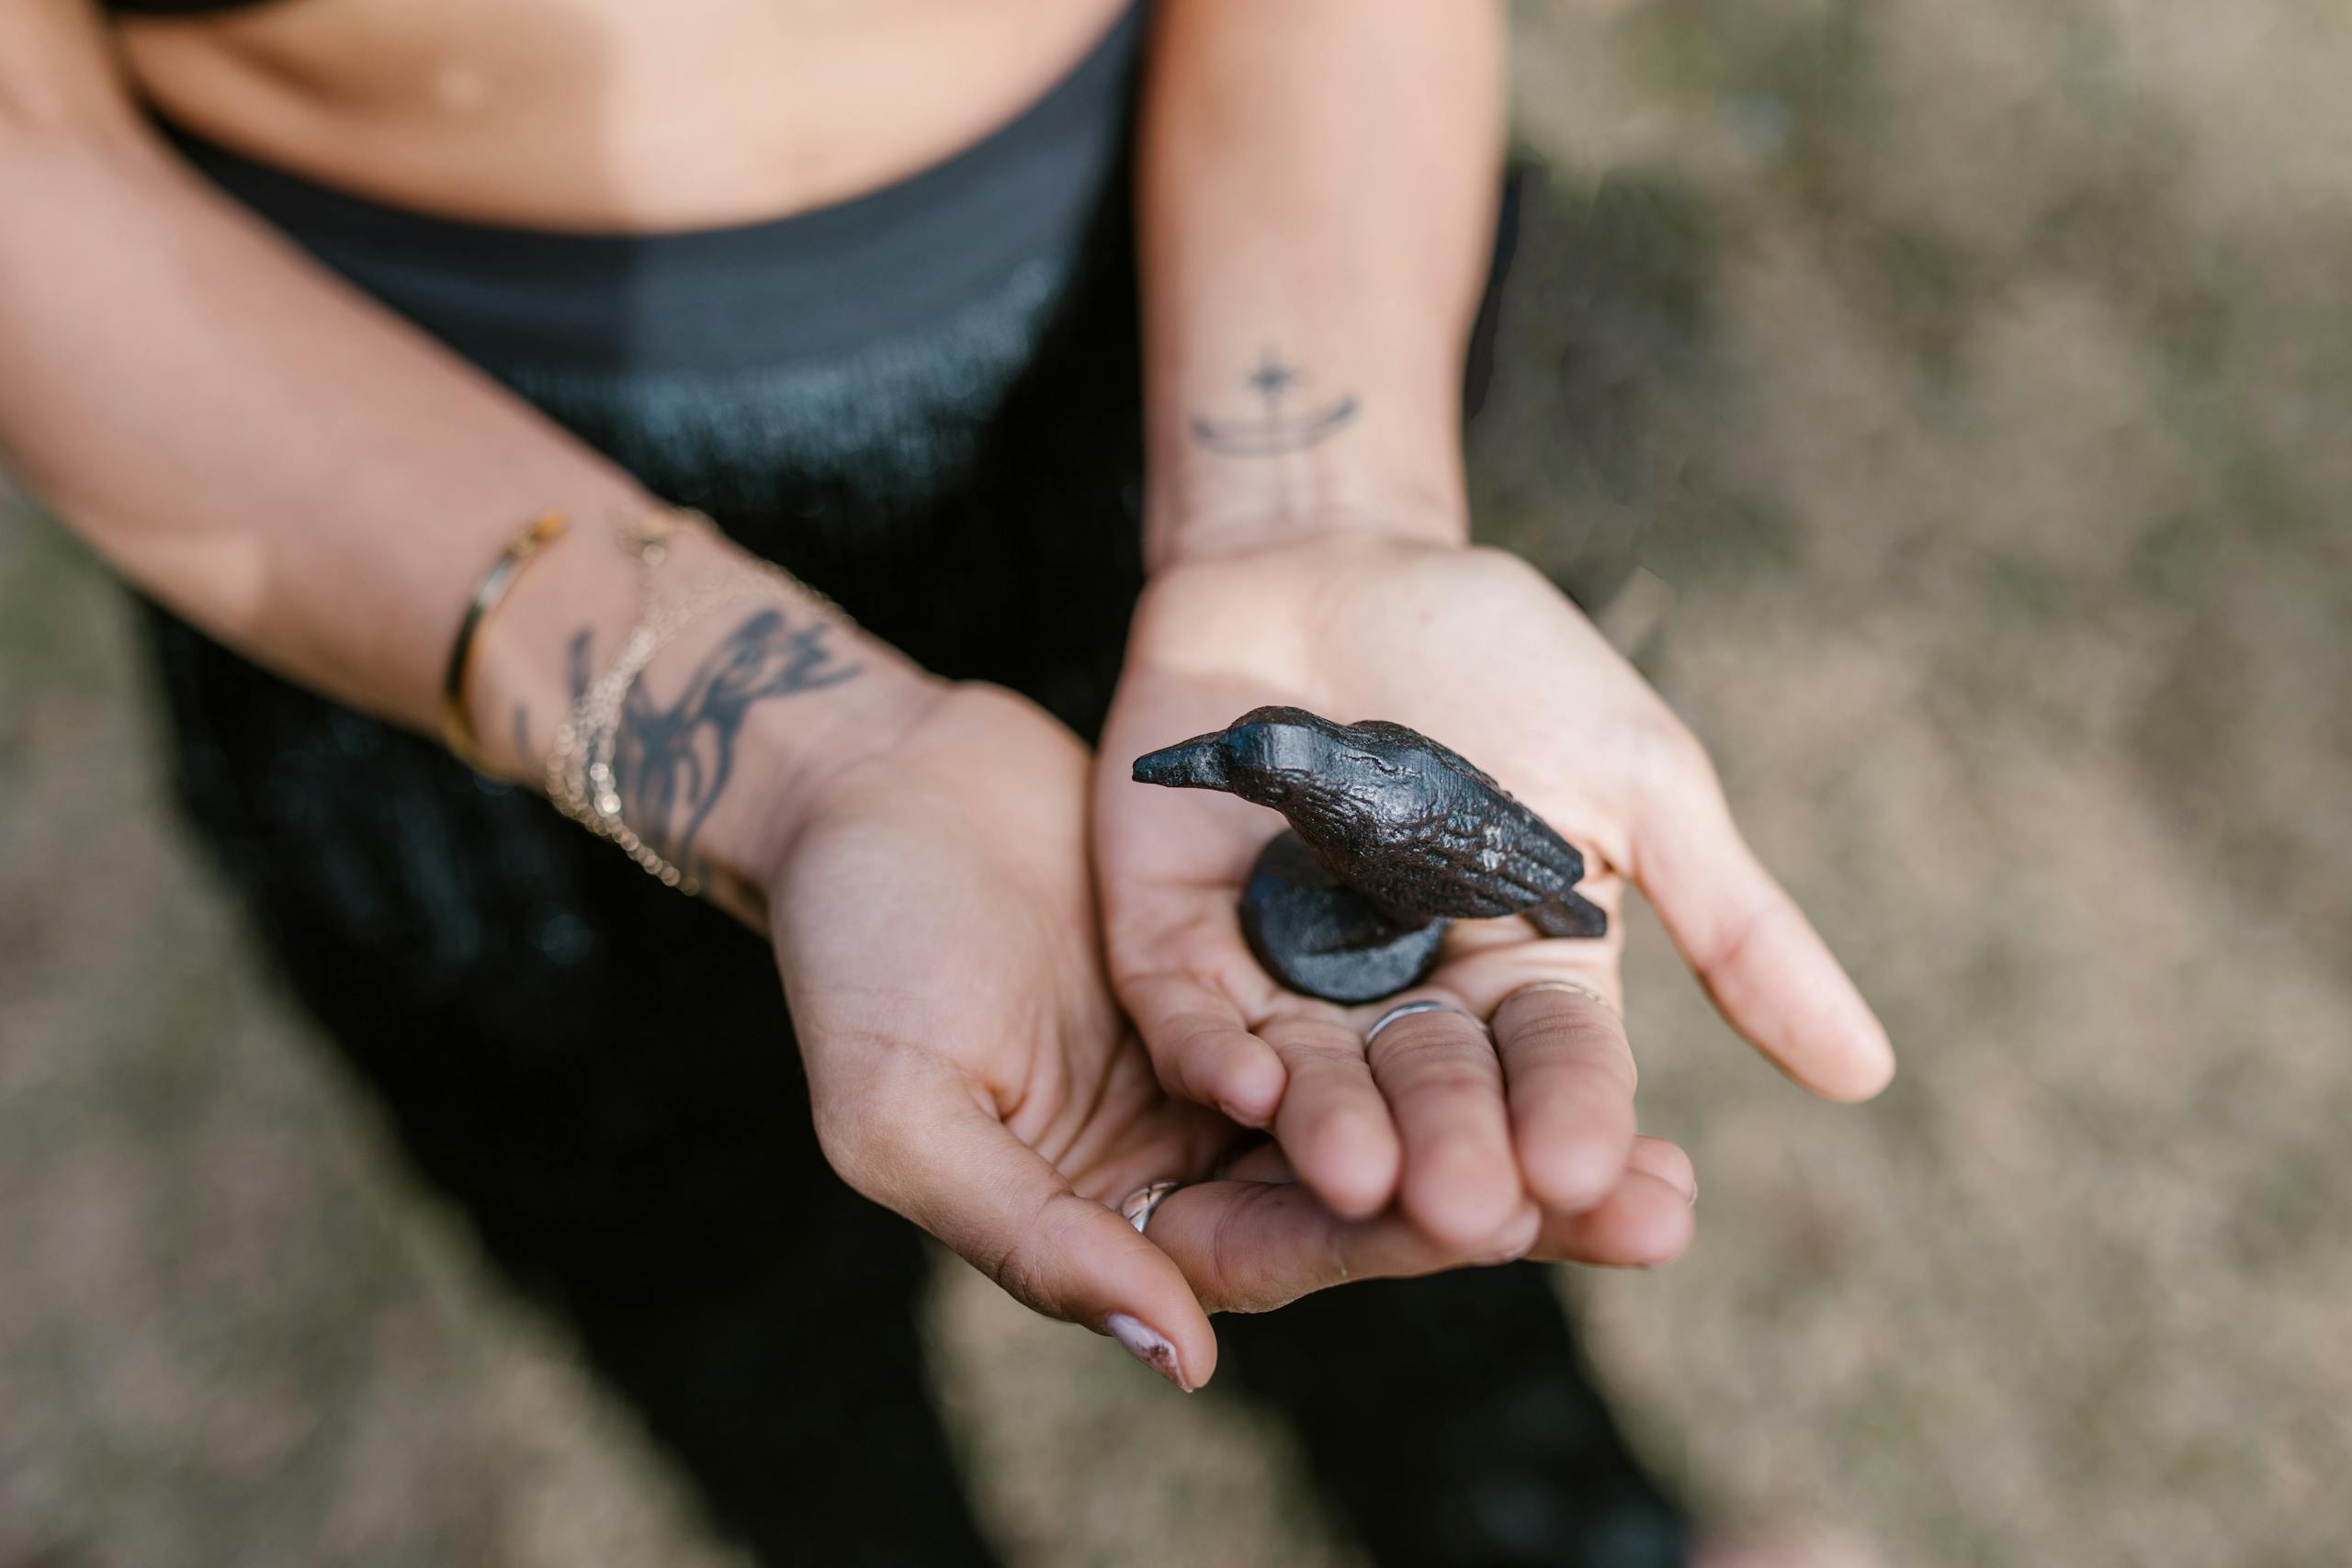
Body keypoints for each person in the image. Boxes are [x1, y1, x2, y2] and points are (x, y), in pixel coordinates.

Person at [0, 0, 1894, 1562]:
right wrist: (776, 748)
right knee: (728, 1301)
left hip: (1173, 334)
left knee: (1398, 1198)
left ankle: (1539, 1518)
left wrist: (1314, 503)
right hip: (402, 517)